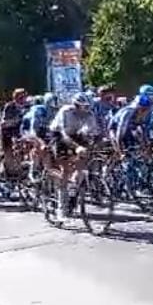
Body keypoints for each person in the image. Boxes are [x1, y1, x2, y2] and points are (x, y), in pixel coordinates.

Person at [48, 92, 100, 222]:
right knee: (65, 169)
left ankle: (73, 190)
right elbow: (64, 136)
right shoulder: (66, 111)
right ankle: (61, 209)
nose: (86, 110)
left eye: (88, 107)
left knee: (82, 165)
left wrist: (97, 143)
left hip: (76, 135)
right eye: (83, 107)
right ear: (75, 105)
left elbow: (94, 132)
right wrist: (77, 148)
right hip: (59, 135)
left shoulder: (89, 114)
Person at [0, 89, 27, 172]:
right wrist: (16, 120)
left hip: (19, 131)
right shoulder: (9, 106)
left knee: (22, 148)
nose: (23, 99)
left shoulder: (27, 106)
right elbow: (4, 122)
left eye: (24, 97)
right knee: (8, 151)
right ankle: (6, 169)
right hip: (7, 131)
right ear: (15, 98)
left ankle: (19, 169)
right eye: (21, 97)